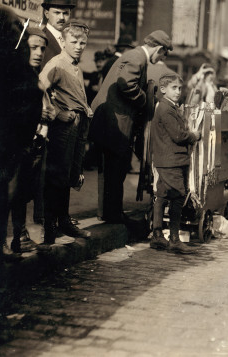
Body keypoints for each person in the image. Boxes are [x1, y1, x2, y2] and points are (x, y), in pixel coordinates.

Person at [90, 30, 173, 223]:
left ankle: (113, 213)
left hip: (111, 122)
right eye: (163, 54)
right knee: (116, 170)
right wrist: (145, 100)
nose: (161, 58)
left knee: (114, 171)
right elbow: (126, 84)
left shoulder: (134, 56)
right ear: (159, 49)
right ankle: (114, 215)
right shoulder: (138, 57)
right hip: (115, 123)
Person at [39, 20, 93, 247]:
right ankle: (50, 228)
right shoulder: (57, 63)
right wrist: (57, 113)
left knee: (69, 173)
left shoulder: (74, 65)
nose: (79, 46)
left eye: (83, 42)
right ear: (62, 41)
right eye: (74, 42)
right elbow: (39, 87)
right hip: (63, 128)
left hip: (77, 127)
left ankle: (63, 220)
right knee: (57, 176)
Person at [9, 28, 54, 254]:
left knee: (23, 193)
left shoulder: (35, 75)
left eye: (42, 48)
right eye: (32, 47)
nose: (38, 53)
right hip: (15, 145)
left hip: (35, 144)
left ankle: (20, 235)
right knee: (11, 192)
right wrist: (39, 114)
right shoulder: (14, 75)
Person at [150, 71, 201, 254]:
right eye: (174, 88)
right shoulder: (166, 109)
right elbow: (178, 135)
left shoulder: (167, 107)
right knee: (178, 196)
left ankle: (157, 235)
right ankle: (173, 239)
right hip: (172, 160)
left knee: (162, 195)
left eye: (179, 88)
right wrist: (194, 135)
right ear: (163, 89)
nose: (178, 91)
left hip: (167, 159)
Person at [40, 0, 76, 69]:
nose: (62, 17)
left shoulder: (71, 40)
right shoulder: (41, 38)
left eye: (65, 13)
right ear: (46, 14)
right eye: (57, 13)